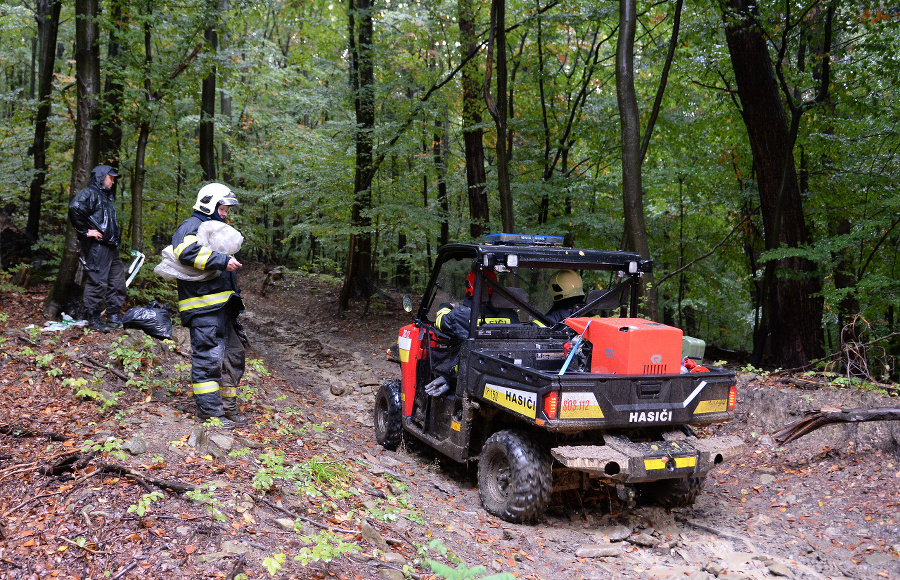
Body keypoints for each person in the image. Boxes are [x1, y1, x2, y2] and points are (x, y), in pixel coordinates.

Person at [172, 183, 248, 428]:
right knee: (208, 360)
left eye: (226, 209)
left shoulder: (215, 228)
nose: (225, 213)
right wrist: (221, 259)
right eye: (223, 208)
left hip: (223, 307)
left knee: (233, 357)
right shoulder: (191, 226)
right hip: (203, 308)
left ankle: (227, 410)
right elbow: (185, 251)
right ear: (209, 203)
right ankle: (211, 414)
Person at [427, 270, 518, 396]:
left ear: (469, 286)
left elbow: (440, 322)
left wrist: (445, 307)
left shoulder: (462, 314)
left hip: (469, 372)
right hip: (504, 368)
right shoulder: (511, 315)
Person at [68, 165, 126, 331]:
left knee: (117, 282)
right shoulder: (90, 193)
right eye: (111, 178)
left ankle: (114, 317)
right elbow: (74, 207)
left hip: (110, 246)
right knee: (97, 282)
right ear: (101, 177)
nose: (113, 182)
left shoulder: (105, 196)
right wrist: (86, 232)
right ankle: (94, 319)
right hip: (98, 246)